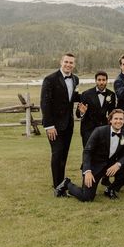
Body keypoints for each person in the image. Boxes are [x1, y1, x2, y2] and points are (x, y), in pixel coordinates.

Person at [54, 109, 124, 201]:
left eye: (121, 119)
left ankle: (110, 189)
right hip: (94, 166)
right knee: (87, 197)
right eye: (116, 118)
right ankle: (67, 184)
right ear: (110, 120)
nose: (118, 121)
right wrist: (87, 171)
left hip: (110, 166)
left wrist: (118, 165)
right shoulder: (99, 131)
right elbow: (87, 151)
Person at [41, 53, 80, 195]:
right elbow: (45, 104)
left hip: (68, 124)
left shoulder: (75, 79)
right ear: (61, 62)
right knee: (57, 154)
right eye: (66, 62)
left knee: (64, 155)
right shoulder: (50, 79)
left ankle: (61, 182)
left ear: (74, 65)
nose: (68, 64)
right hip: (54, 126)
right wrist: (49, 126)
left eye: (71, 62)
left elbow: (73, 98)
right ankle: (57, 186)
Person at [76, 71, 116, 147]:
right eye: (99, 80)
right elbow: (78, 114)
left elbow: (112, 113)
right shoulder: (86, 94)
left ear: (107, 81)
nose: (101, 82)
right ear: (95, 81)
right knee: (88, 154)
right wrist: (82, 112)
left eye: (103, 80)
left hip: (104, 129)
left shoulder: (111, 94)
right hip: (88, 130)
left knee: (102, 155)